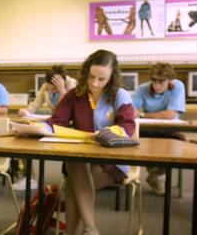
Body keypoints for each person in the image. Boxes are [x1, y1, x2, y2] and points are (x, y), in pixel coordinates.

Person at [46, 50, 136, 235]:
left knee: (73, 185)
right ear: (86, 72)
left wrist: (104, 133)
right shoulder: (74, 94)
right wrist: (34, 127)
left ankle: (82, 230)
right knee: (76, 162)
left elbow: (127, 127)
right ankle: (90, 229)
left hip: (112, 162)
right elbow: (57, 121)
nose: (94, 83)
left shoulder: (120, 95)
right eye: (91, 77)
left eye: (101, 79)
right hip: (83, 159)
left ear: (112, 78)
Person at [131, 62, 186, 195]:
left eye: (161, 81)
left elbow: (171, 114)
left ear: (170, 80)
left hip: (169, 130)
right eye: (154, 81)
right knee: (134, 141)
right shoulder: (142, 88)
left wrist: (143, 114)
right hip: (148, 130)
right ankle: (155, 173)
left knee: (178, 141)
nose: (157, 85)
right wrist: (136, 112)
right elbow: (131, 111)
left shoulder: (178, 86)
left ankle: (158, 174)